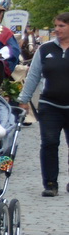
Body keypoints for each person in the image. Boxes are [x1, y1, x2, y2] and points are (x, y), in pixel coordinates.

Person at [19, 11, 69, 196]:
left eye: (61, 26)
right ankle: (50, 184)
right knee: (49, 143)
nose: (57, 29)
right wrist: (24, 100)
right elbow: (33, 76)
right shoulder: (45, 49)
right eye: (56, 25)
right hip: (50, 105)